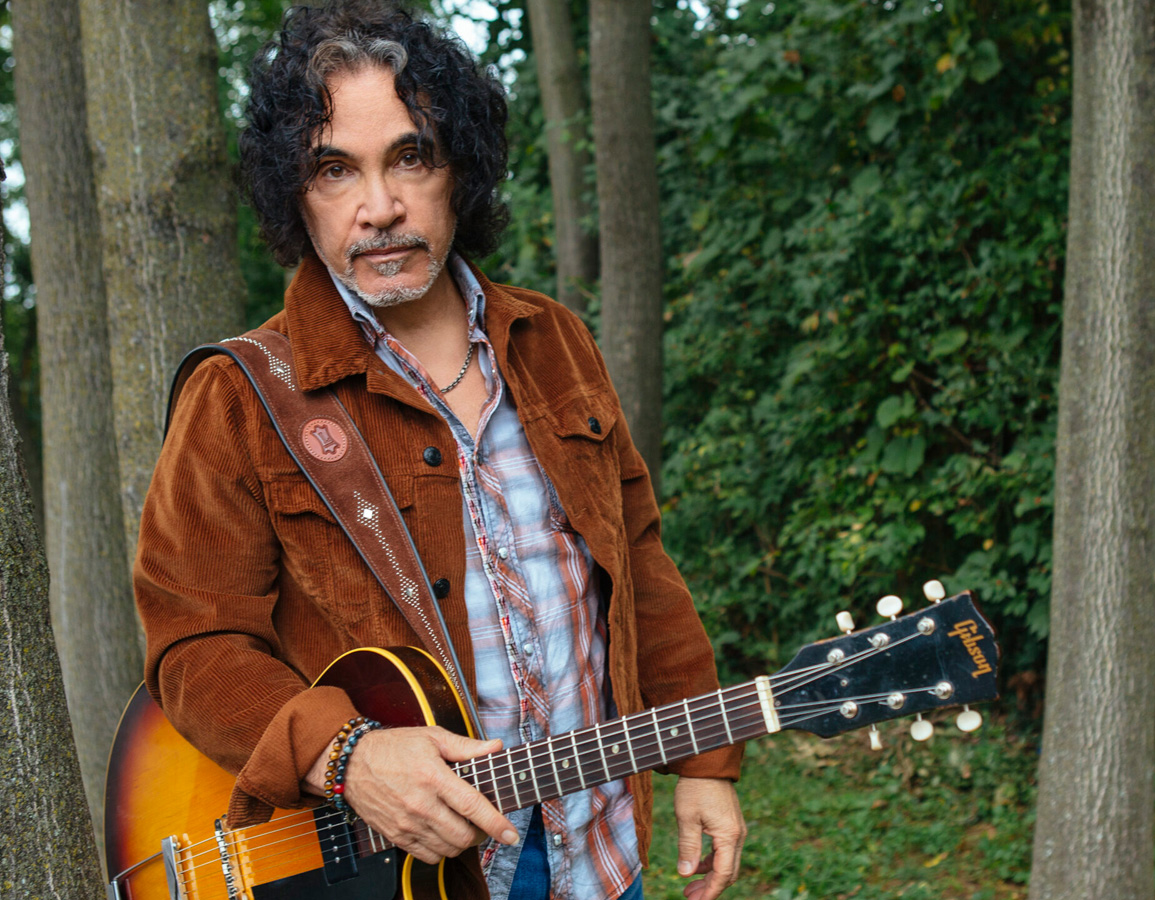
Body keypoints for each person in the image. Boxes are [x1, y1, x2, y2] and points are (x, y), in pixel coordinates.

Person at [133, 2, 744, 898]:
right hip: (403, 876)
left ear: (461, 170)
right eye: (334, 170)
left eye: (410, 157)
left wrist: (705, 762)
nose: (379, 208)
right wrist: (347, 755)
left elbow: (639, 566)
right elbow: (193, 645)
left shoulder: (554, 342)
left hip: (598, 849)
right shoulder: (240, 395)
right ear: (294, 194)